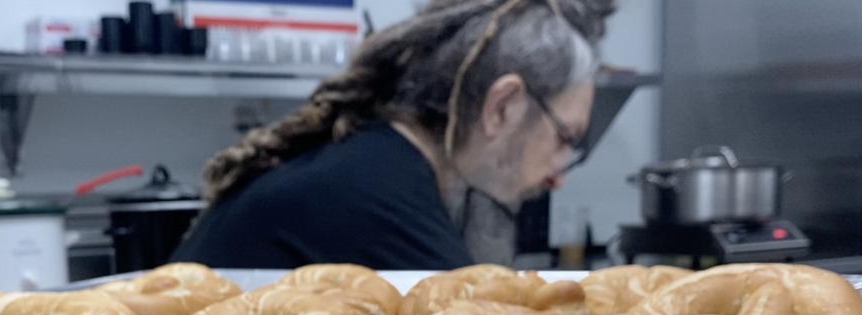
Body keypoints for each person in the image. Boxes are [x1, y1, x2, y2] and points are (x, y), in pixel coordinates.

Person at [170, 0, 615, 270]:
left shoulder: (373, 161)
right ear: (502, 107)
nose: (559, 175)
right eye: (563, 137)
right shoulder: (382, 202)